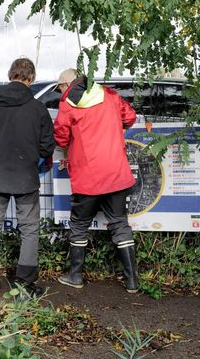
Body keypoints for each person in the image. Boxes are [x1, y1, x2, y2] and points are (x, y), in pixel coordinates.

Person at [0, 58, 55, 297]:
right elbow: (47, 146)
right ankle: (25, 285)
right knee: (29, 229)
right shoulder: (38, 108)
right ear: (31, 79)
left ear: (11, 75)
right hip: (26, 177)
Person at [53, 68, 139, 293]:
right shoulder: (109, 95)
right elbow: (130, 117)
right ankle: (132, 281)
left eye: (61, 87)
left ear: (68, 84)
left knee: (80, 224)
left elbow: (61, 137)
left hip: (87, 176)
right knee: (120, 223)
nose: (61, 92)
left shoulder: (67, 104)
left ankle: (75, 276)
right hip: (115, 172)